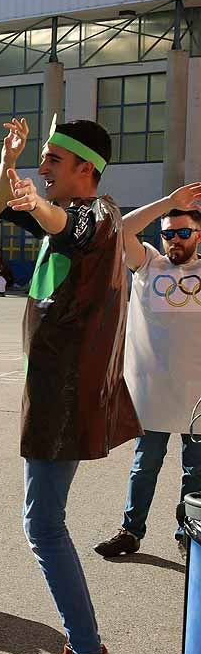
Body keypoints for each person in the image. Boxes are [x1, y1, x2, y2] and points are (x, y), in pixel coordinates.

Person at [0, 113, 141, 654]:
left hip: (62, 397)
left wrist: (38, 201)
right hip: (56, 390)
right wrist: (9, 164)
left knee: (44, 527)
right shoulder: (85, 218)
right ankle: (85, 652)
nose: (43, 167)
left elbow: (62, 221)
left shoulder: (96, 215)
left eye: (54, 160)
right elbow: (11, 208)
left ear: (87, 169)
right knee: (45, 524)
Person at [95, 197, 201, 560]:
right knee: (145, 465)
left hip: (197, 396)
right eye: (168, 233)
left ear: (198, 235)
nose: (175, 239)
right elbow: (123, 227)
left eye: (184, 232)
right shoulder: (148, 266)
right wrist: (170, 203)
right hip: (154, 394)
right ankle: (131, 530)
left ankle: (189, 534)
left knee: (196, 472)